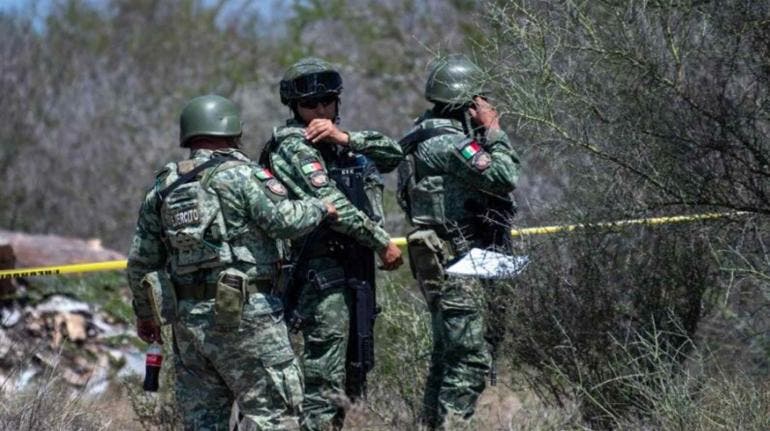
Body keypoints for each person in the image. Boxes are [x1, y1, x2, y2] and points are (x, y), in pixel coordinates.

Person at [126, 94, 338, 430]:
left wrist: (145, 314)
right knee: (275, 415)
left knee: (203, 421)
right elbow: (284, 221)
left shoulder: (163, 188)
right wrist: (319, 207)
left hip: (189, 323)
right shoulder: (242, 175)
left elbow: (140, 262)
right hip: (247, 315)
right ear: (233, 131)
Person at [260, 57, 403, 430]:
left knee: (357, 364)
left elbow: (394, 154)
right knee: (324, 373)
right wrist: (381, 243)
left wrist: (346, 138)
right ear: (295, 107)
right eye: (311, 105)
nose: (320, 112)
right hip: (318, 271)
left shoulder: (340, 145)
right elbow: (333, 208)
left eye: (328, 102)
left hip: (352, 267)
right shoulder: (294, 146)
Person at [396, 54, 521, 429]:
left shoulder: (420, 137)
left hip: (451, 260)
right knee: (468, 360)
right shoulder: (447, 143)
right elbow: (504, 174)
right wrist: (494, 130)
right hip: (460, 263)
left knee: (447, 357)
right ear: (467, 102)